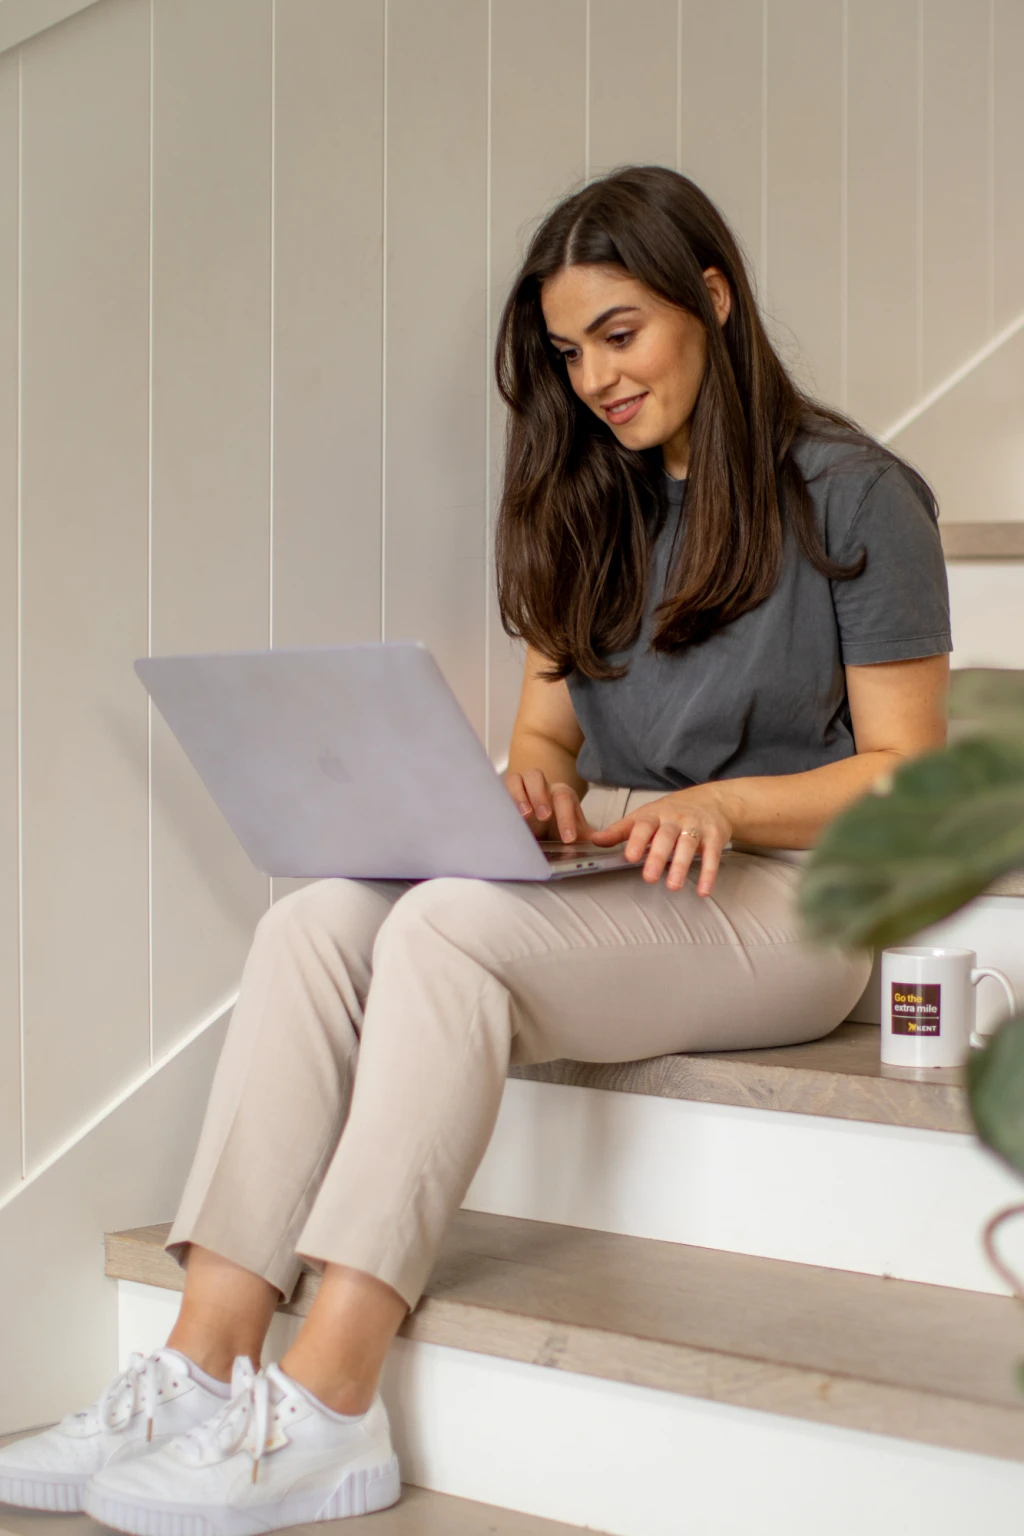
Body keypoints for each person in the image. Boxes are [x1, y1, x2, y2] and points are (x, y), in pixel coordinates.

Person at [0, 166, 950, 1531]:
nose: (597, 379)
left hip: (800, 904)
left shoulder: (857, 497)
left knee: (442, 929)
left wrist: (730, 807)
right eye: (571, 355)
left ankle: (331, 1399)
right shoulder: (591, 500)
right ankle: (202, 1363)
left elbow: (910, 777)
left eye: (620, 334)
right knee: (319, 918)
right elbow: (550, 742)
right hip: (642, 874)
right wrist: (534, 796)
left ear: (714, 301)